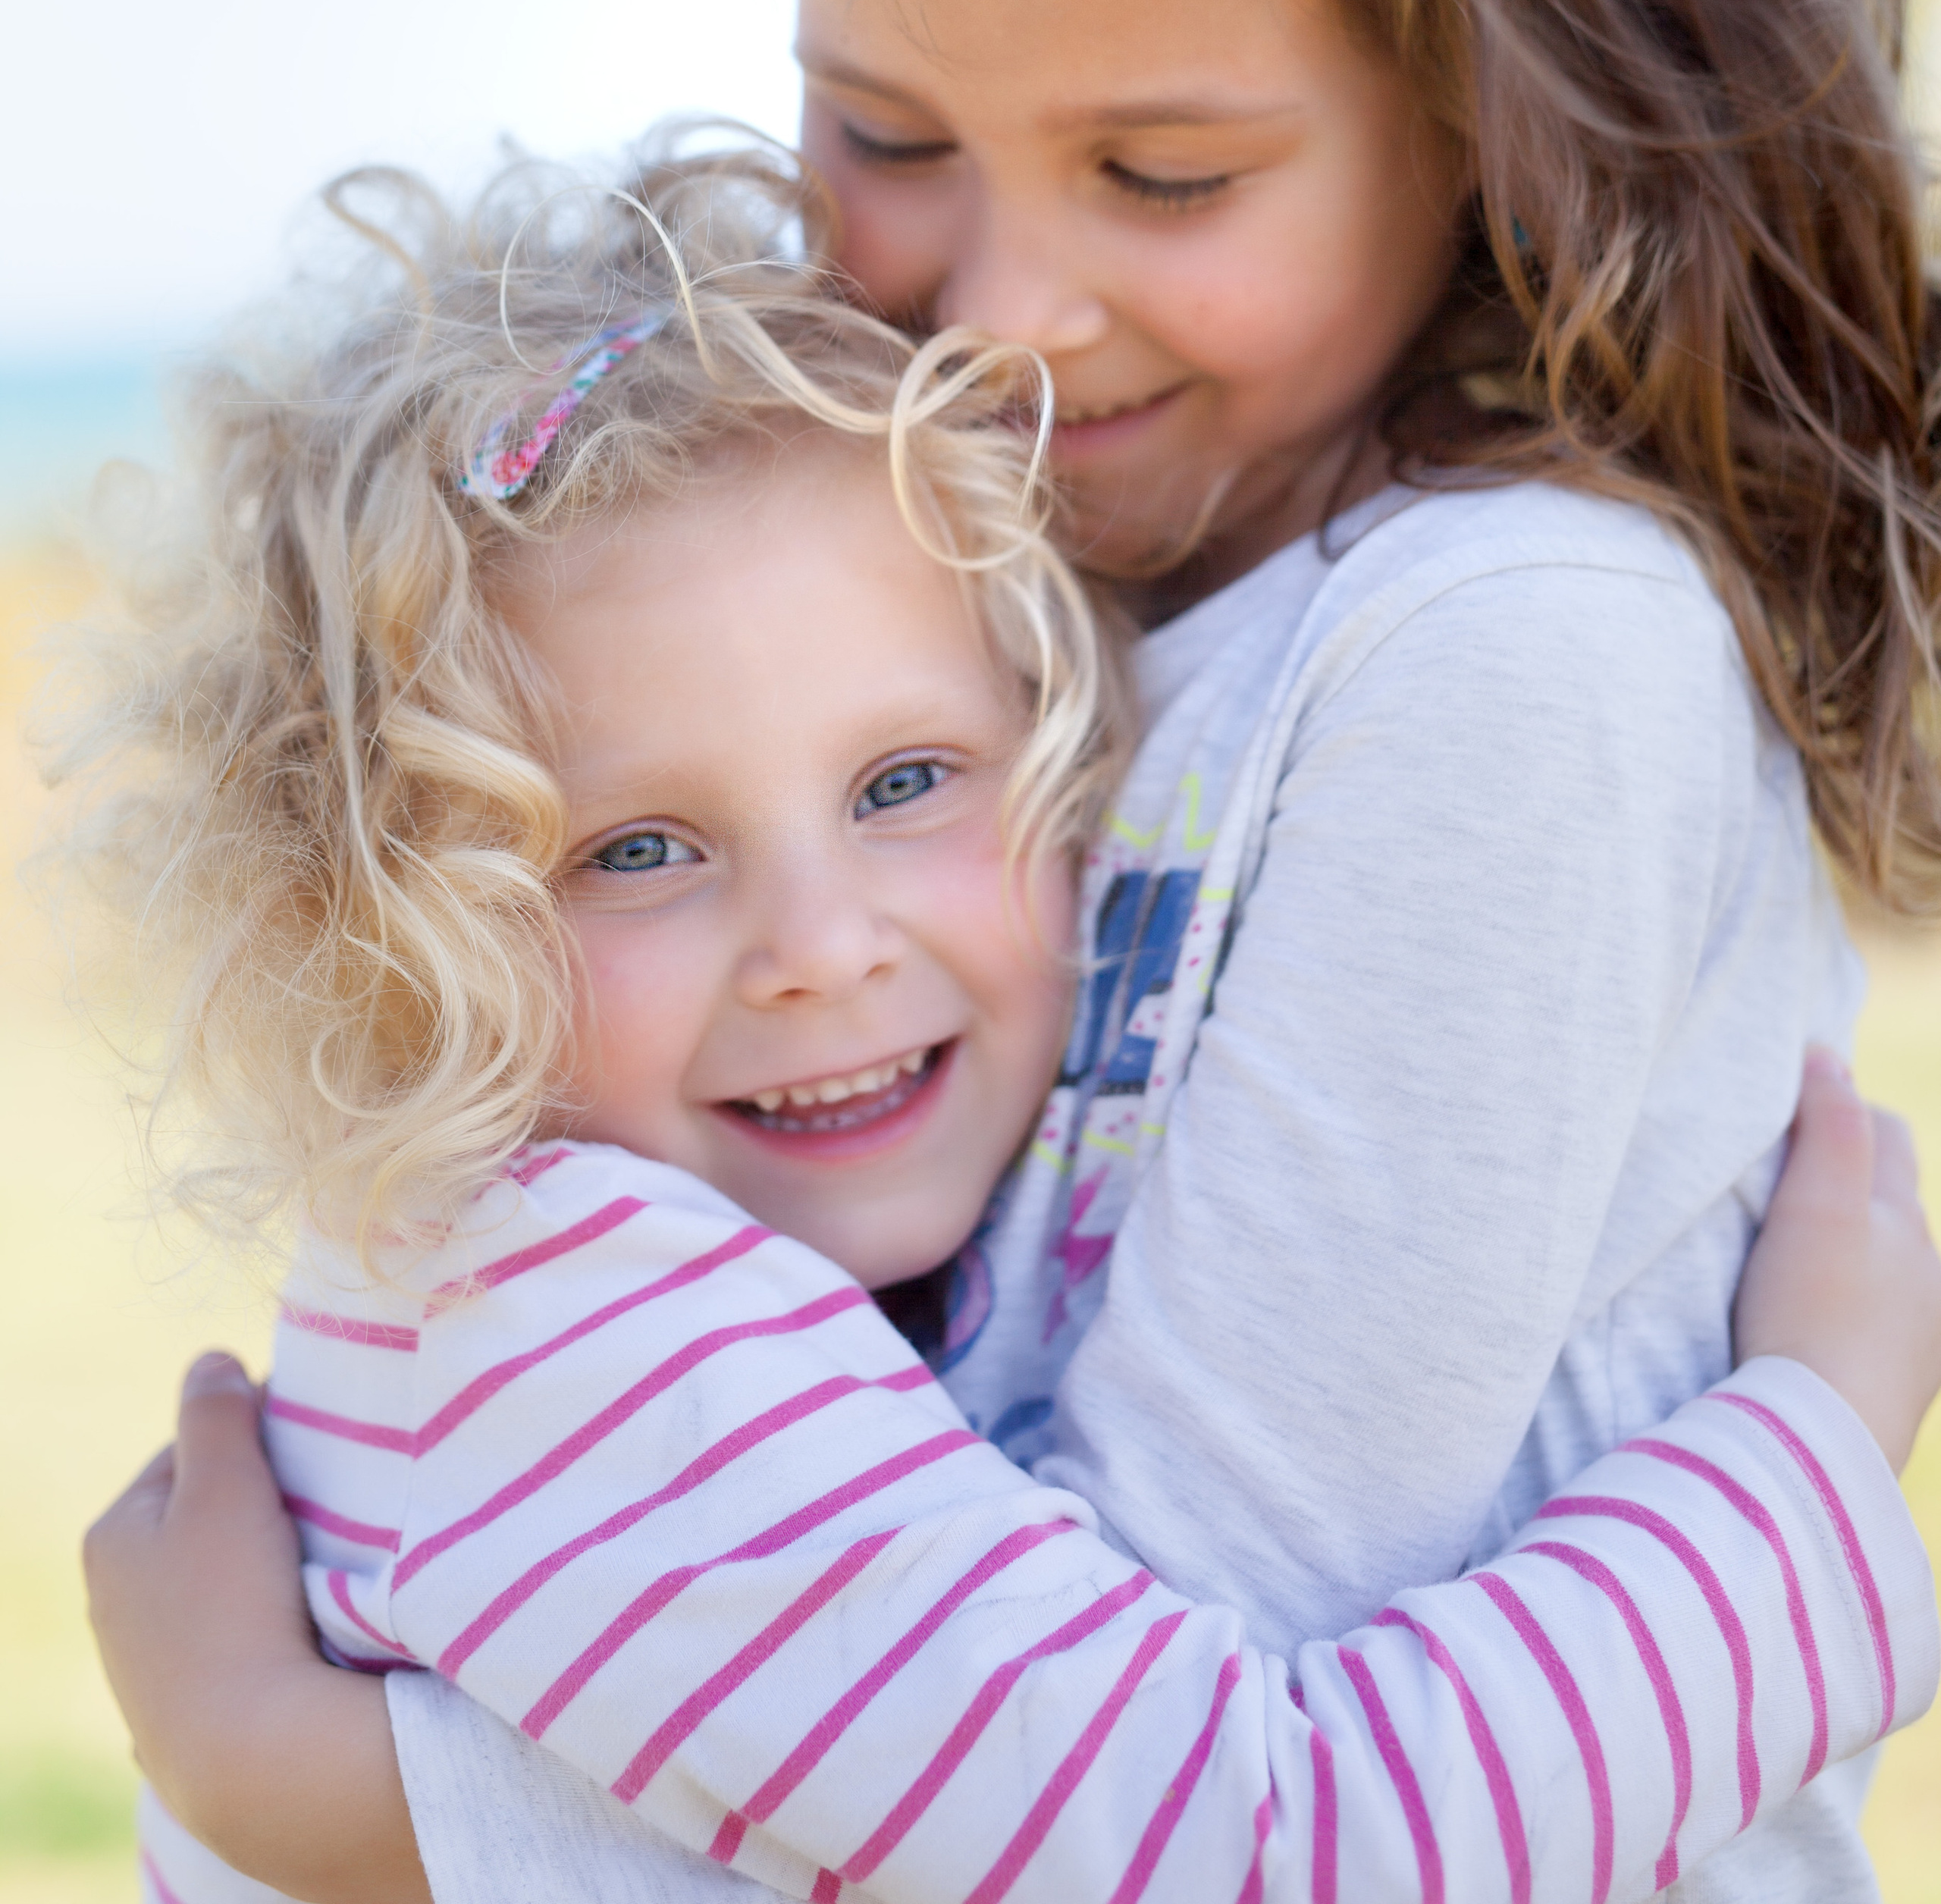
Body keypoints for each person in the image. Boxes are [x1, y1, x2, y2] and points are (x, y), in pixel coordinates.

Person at [79, 0, 1941, 1899]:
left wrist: (353, 1801)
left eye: (1163, 176)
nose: (1002, 315)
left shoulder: (1518, 655)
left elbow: (1152, 1784)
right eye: (882, 129)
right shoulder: (989, 598)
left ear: (1497, 112)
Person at [71, 146, 1941, 1904]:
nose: (820, 948)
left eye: (904, 782)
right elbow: (1256, 1857)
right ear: (382, 942)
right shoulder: (583, 1322)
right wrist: (1812, 1448)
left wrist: (319, 1787)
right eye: (636, 850)